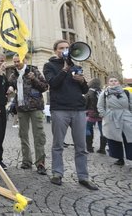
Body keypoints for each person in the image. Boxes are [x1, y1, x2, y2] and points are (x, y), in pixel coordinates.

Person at [43, 39, 98, 190]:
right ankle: (57, 173)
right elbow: (53, 84)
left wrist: (81, 81)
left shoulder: (77, 66)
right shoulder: (49, 66)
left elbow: (85, 90)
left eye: (67, 48)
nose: (65, 50)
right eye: (61, 48)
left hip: (79, 110)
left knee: (81, 146)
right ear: (55, 50)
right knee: (58, 144)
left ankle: (83, 177)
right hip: (60, 109)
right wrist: (65, 69)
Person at [8, 53, 48, 175]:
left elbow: (45, 87)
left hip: (35, 107)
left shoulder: (34, 71)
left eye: (18, 61)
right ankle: (26, 161)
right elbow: (11, 85)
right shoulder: (13, 75)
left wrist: (34, 79)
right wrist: (10, 87)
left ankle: (40, 163)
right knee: (23, 136)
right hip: (21, 108)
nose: (16, 64)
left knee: (39, 136)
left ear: (24, 60)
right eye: (14, 62)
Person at [97, 76, 132, 166]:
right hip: (111, 118)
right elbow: (100, 106)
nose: (113, 82)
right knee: (115, 139)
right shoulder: (104, 93)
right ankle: (119, 158)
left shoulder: (126, 92)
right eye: (111, 81)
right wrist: (105, 116)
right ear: (108, 83)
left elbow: (131, 104)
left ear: (119, 82)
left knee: (129, 138)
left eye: (115, 81)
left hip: (126, 117)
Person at [85, 78, 106, 154]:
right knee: (102, 130)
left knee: (87, 129)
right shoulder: (102, 92)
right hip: (101, 113)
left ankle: (89, 147)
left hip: (91, 113)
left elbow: (85, 103)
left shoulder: (89, 92)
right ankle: (102, 149)